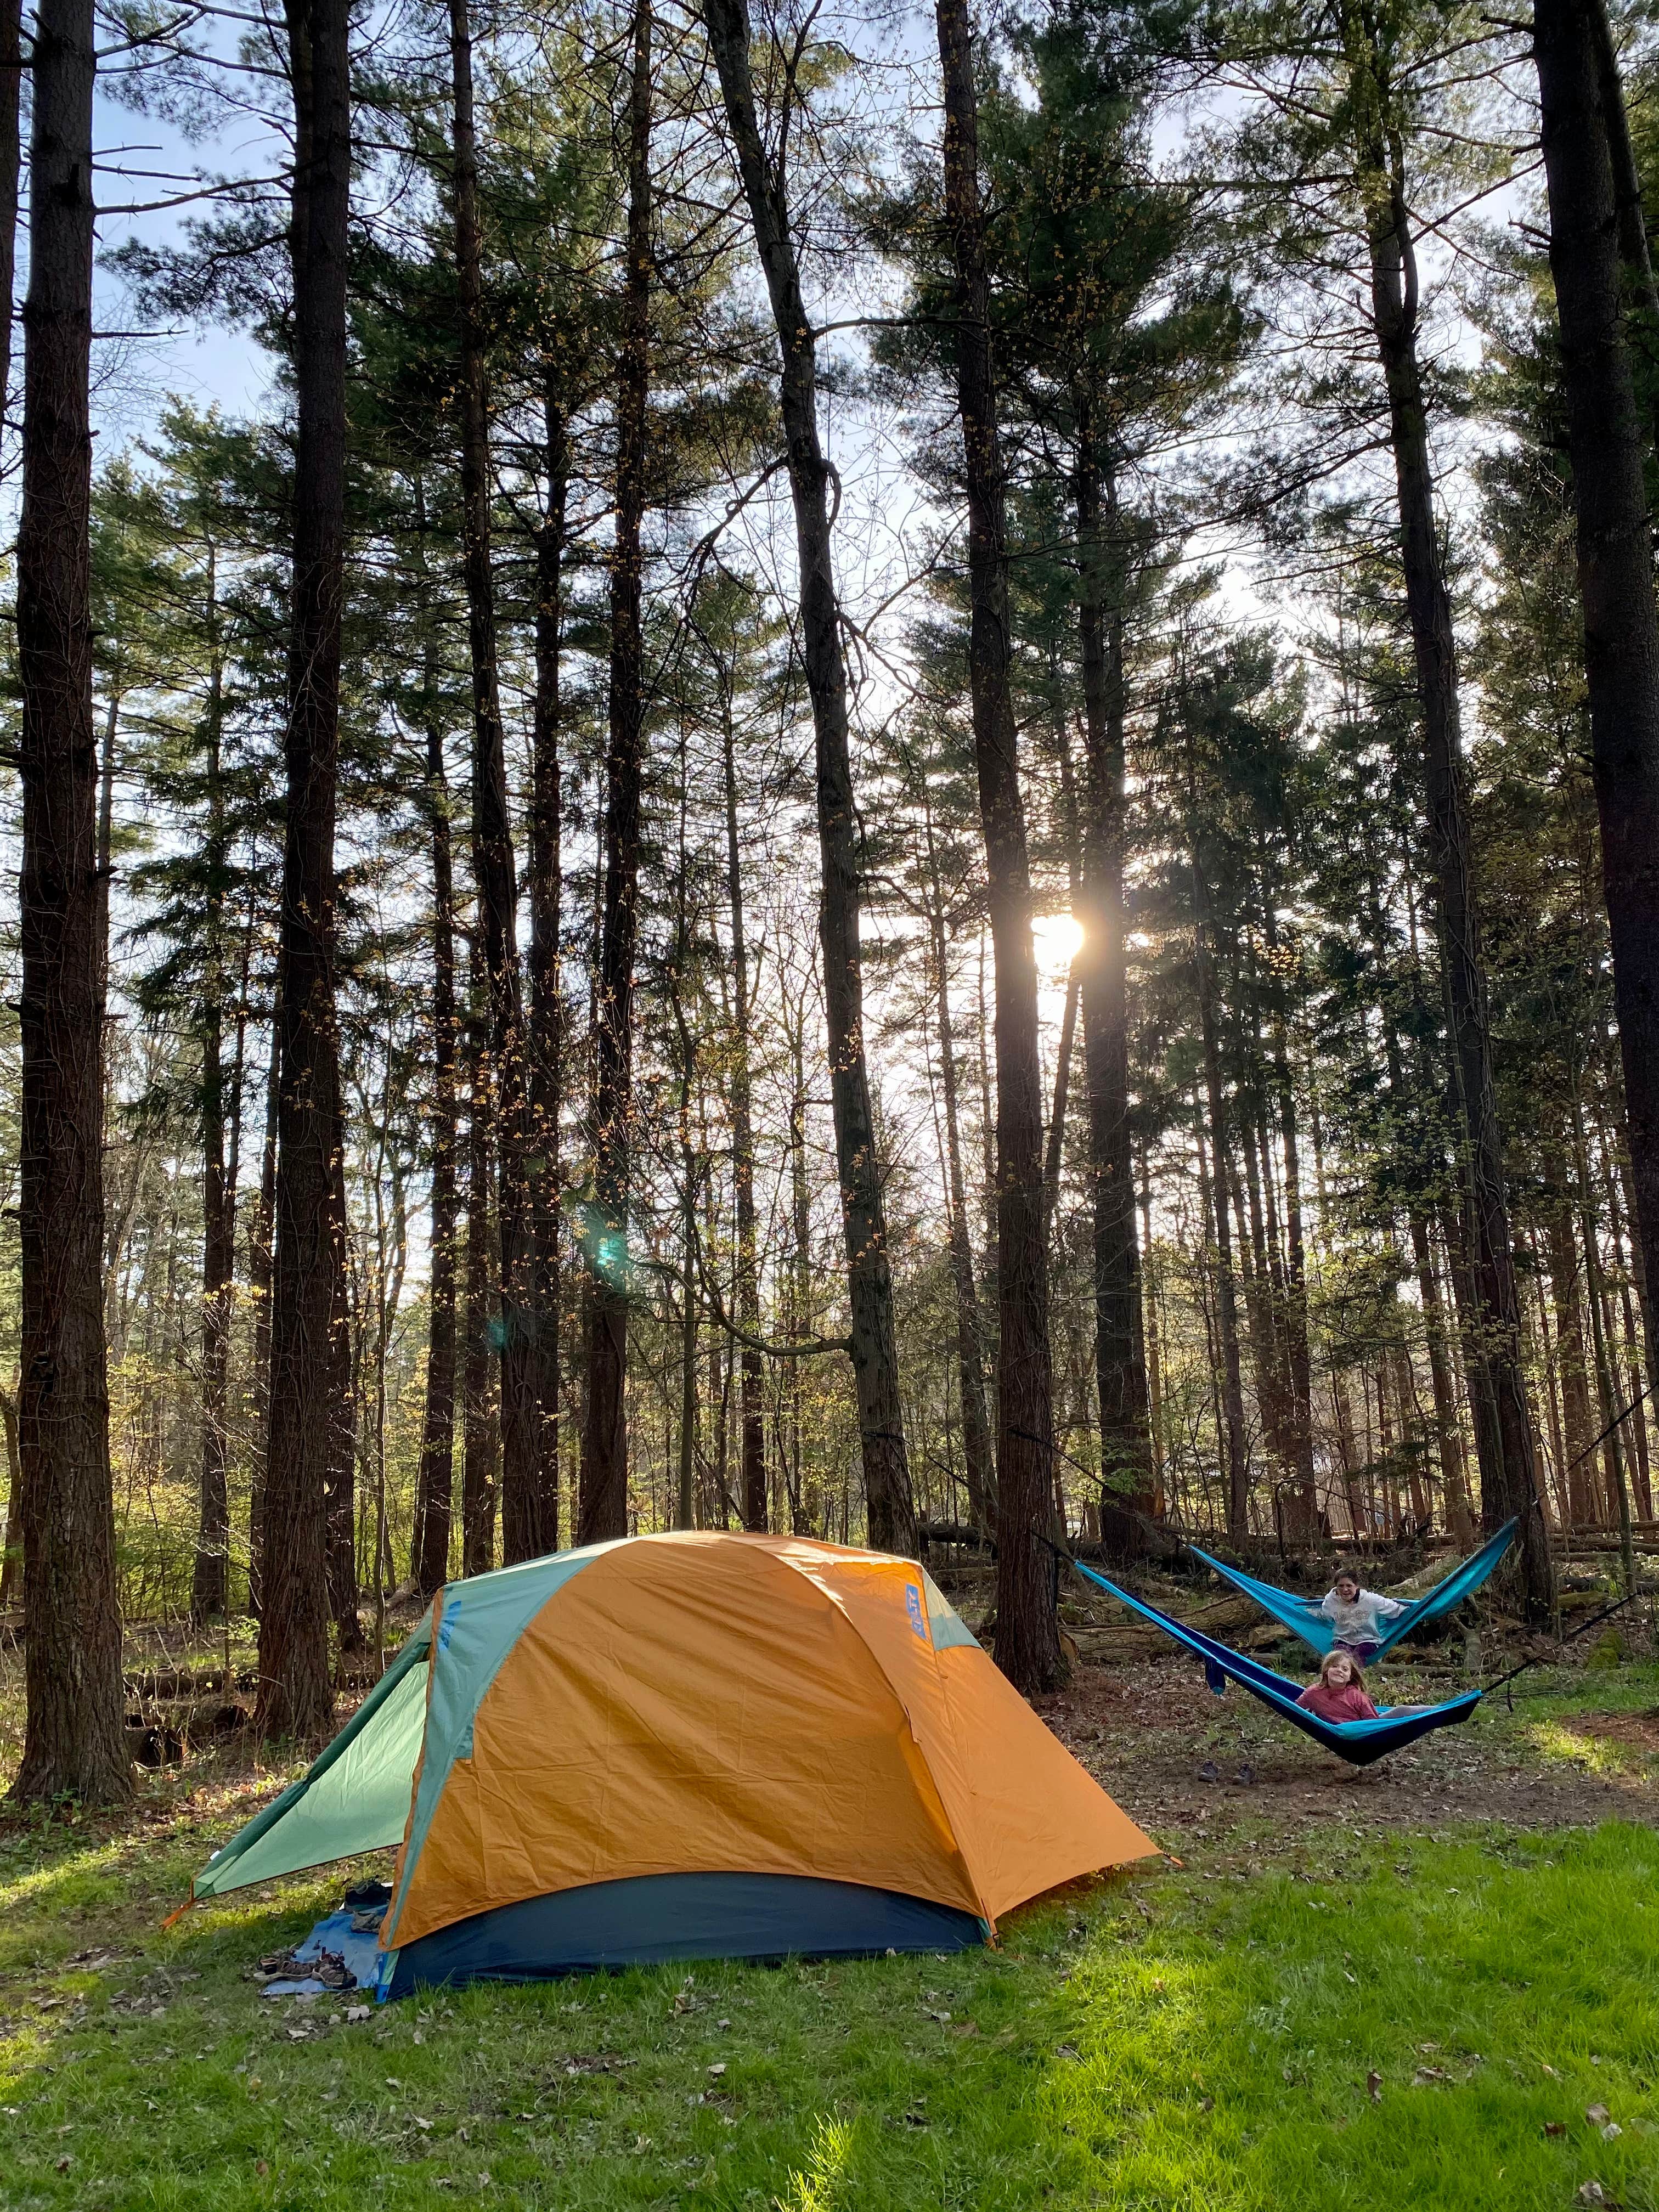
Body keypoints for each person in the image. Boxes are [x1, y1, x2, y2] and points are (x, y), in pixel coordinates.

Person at [1319, 1567, 1406, 1662]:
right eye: (1341, 1586)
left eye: (1349, 1586)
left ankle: (1356, 1675)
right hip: (1342, 1639)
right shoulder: (1331, 1601)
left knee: (1358, 1655)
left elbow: (1395, 1608)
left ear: (1356, 1586)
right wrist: (1304, 1612)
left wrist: (1418, 1609)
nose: (1345, 1589)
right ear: (1336, 1586)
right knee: (1341, 1656)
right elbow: (1324, 1616)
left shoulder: (1371, 1600)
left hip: (1368, 1640)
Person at [1296, 1647, 1380, 1725]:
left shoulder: (1358, 1697)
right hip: (1328, 1731)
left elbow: (1373, 1724)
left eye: (1345, 1669)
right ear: (1326, 1670)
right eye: (1335, 1666)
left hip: (1356, 1734)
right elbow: (1295, 1708)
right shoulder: (1313, 1693)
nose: (1339, 1670)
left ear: (1351, 1677)